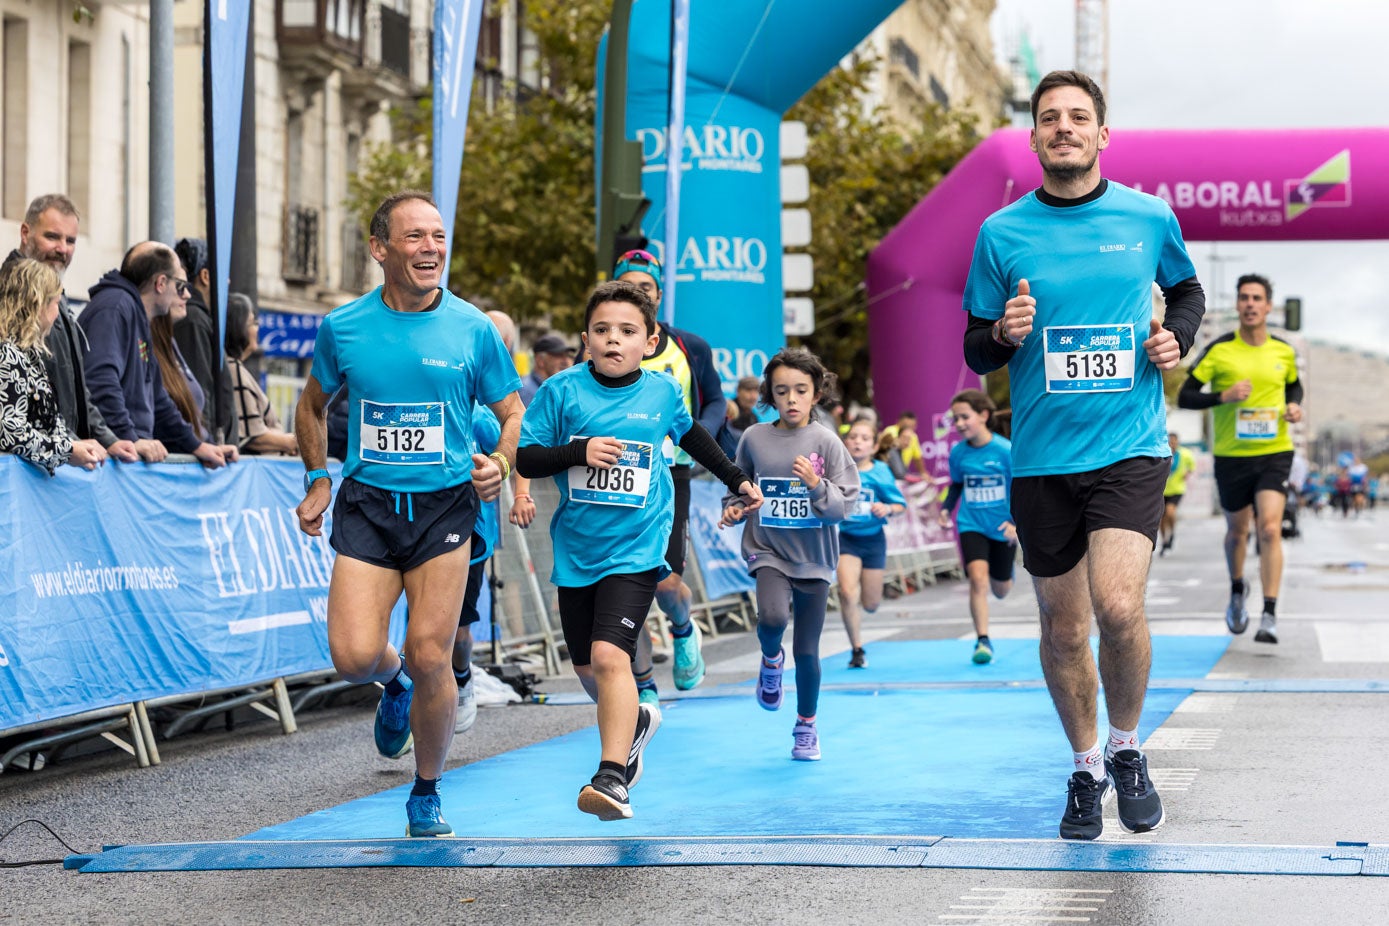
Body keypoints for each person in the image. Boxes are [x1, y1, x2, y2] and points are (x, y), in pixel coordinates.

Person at [961, 70, 1206, 841]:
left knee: (1118, 606)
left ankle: (1128, 750)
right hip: (1040, 460)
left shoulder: (1147, 217)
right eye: (1048, 118)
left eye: (1077, 117)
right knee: (1063, 630)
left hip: (1129, 449)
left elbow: (1188, 291)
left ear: (1102, 135)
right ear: (1033, 137)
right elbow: (972, 346)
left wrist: (1176, 337)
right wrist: (1002, 333)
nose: (1062, 127)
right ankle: (1083, 765)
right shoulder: (1000, 234)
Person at [293, 191, 523, 838]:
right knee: (354, 655)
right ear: (380, 249)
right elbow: (310, 407)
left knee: (431, 654)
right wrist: (316, 479)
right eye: (415, 237)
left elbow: (510, 413)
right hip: (367, 503)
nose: (431, 249)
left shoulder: (473, 329)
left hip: (443, 505)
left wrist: (500, 466)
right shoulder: (343, 327)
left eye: (439, 237)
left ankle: (426, 789)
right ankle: (389, 686)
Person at [516, 280, 759, 820]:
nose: (613, 340)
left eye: (627, 331)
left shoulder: (661, 393)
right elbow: (527, 459)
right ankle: (640, 720)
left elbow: (693, 436)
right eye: (602, 331)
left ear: (650, 342)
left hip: (639, 543)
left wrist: (736, 479)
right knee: (586, 668)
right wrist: (578, 450)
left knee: (610, 656)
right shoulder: (561, 392)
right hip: (578, 548)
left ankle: (612, 778)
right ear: (585, 340)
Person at [721, 347, 859, 761]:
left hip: (814, 558)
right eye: (782, 391)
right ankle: (769, 656)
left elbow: (843, 507)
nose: (792, 399)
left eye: (801, 390)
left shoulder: (827, 442)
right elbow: (738, 484)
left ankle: (806, 725)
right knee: (773, 619)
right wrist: (733, 506)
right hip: (768, 550)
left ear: (817, 393)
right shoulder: (754, 438)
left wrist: (816, 484)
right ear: (770, 396)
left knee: (808, 650)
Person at [613, 248, 731, 701]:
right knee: (628, 587)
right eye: (628, 288)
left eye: (645, 288)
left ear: (659, 295)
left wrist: (701, 435)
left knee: (664, 583)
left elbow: (717, 400)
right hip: (621, 478)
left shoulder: (689, 347)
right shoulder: (607, 345)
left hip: (671, 475)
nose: (637, 295)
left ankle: (683, 629)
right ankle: (643, 688)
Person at [1178, 273, 1302, 644]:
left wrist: (1293, 405)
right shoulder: (1219, 350)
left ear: (1267, 306)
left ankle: (1269, 613)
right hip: (1232, 456)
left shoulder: (1283, 350)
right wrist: (1223, 396)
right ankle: (1236, 589)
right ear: (1237, 305)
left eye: (1257, 298)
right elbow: (1185, 396)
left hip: (1274, 451)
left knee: (1268, 528)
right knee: (1238, 532)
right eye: (1244, 298)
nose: (1250, 304)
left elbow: (1294, 383)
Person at [7, 194, 139, 463]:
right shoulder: (11, 292)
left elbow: (78, 390)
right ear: (25, 232)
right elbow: (13, 422)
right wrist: (69, 448)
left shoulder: (60, 295)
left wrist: (108, 441)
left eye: (70, 241)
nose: (63, 249)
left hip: (61, 465)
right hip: (38, 472)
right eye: (53, 237)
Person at [80, 243, 234, 468]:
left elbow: (158, 397)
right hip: (117, 460)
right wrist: (130, 439)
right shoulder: (115, 308)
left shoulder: (134, 313)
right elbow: (101, 382)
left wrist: (197, 445)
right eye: (179, 285)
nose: (186, 294)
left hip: (125, 457)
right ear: (161, 283)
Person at [0, 259, 106, 474]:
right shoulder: (8, 354)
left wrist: (77, 444)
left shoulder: (30, 355)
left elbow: (45, 425)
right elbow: (10, 432)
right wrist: (68, 450)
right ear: (38, 304)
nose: (58, 314)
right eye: (56, 303)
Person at [937, 389, 1015, 665]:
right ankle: (982, 640)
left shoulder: (1005, 450)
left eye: (964, 417)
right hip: (971, 523)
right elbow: (957, 484)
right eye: (955, 419)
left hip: (1003, 526)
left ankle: (1007, 573)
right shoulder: (958, 453)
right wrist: (946, 509)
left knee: (1001, 589)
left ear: (983, 416)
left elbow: (1021, 488)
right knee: (977, 579)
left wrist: (1015, 523)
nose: (958, 424)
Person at [836, 416, 905, 668]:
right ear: (845, 442)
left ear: (874, 447)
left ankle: (868, 609)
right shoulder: (837, 470)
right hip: (847, 539)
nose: (857, 442)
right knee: (846, 592)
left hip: (874, 540)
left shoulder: (880, 471)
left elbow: (900, 506)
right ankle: (856, 649)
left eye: (864, 438)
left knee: (871, 603)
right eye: (853, 437)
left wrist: (886, 507)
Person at [173, 237, 236, 442]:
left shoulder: (198, 318)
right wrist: (206, 443)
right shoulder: (193, 320)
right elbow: (199, 393)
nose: (228, 281)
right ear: (206, 276)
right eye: (224, 273)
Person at [225, 293, 298, 456]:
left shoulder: (236, 369)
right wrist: (293, 442)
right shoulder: (233, 370)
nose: (257, 328)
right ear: (238, 328)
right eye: (253, 322)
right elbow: (252, 436)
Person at [1159, 432, 1196, 555]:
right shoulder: (1161, 452)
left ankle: (1173, 532)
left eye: (1174, 441)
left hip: (1177, 489)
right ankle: (1165, 540)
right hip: (1161, 490)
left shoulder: (1185, 454)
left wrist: (1188, 472)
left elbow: (1191, 465)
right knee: (1161, 518)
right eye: (1170, 441)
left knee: (1170, 511)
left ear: (1177, 442)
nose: (1172, 443)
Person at [517, 333, 574, 406]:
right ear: (540, 360)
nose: (565, 361)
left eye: (567, 355)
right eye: (558, 355)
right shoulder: (525, 391)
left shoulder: (557, 388)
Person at [880, 411, 928, 480]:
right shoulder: (890, 432)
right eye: (904, 437)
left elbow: (918, 458)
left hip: (901, 475)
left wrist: (923, 473)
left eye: (911, 426)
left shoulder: (913, 436)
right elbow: (898, 472)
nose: (906, 442)